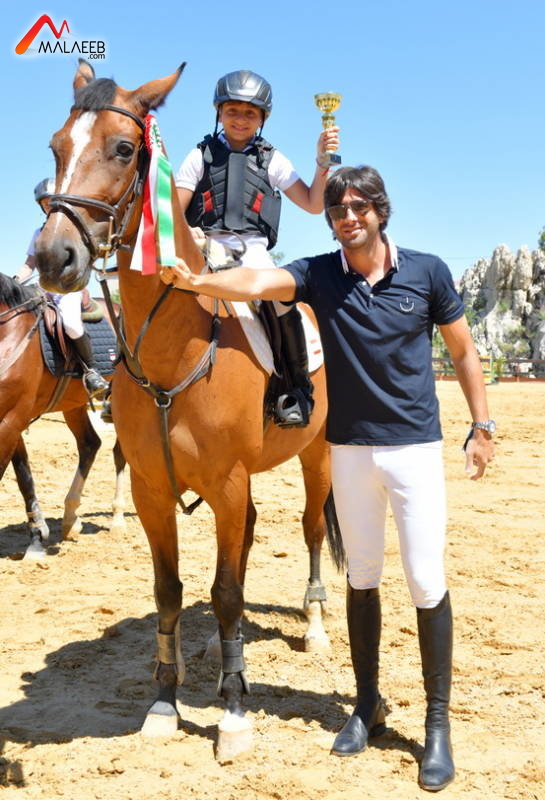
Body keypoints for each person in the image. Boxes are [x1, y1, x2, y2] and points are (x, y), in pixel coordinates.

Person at [160, 165, 496, 792]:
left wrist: (482, 425)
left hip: (414, 451)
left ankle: (437, 725)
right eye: (338, 209)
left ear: (381, 211)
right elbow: (257, 280)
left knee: (426, 582)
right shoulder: (319, 273)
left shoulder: (427, 272)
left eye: (359, 207)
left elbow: (463, 350)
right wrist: (199, 280)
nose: (348, 217)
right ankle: (366, 705)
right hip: (349, 451)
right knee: (361, 579)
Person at [175, 69, 339, 427]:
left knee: (280, 302)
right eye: (232, 110)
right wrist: (189, 231)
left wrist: (322, 162)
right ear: (219, 112)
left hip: (252, 252)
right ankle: (125, 379)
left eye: (250, 113)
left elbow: (313, 203)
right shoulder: (199, 155)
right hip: (207, 245)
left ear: (262, 118)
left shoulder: (272, 159)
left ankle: (294, 389)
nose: (240, 119)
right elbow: (175, 210)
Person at [15, 179, 108, 399]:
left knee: (71, 324)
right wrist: (16, 280)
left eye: (52, 202)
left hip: (67, 288)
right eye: (45, 203)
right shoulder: (38, 233)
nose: (49, 206)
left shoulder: (71, 229)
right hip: (42, 287)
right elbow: (30, 264)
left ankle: (91, 370)